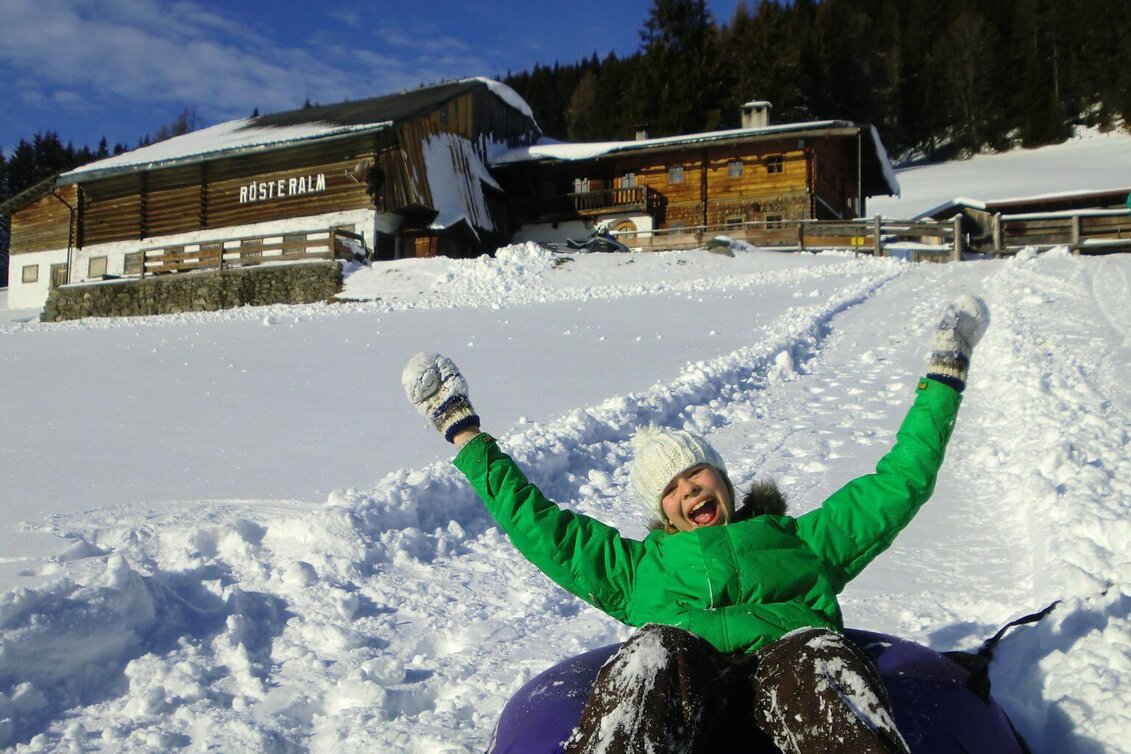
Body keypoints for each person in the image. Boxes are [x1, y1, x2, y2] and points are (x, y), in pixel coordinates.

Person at [402, 295, 990, 754]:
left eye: (697, 476)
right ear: (664, 514)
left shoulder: (804, 541)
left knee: (814, 656)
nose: (689, 493)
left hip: (790, 664)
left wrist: (944, 375)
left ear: (724, 482)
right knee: (655, 649)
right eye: (673, 492)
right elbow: (539, 525)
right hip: (685, 683)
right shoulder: (640, 569)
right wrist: (463, 431)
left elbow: (899, 483)